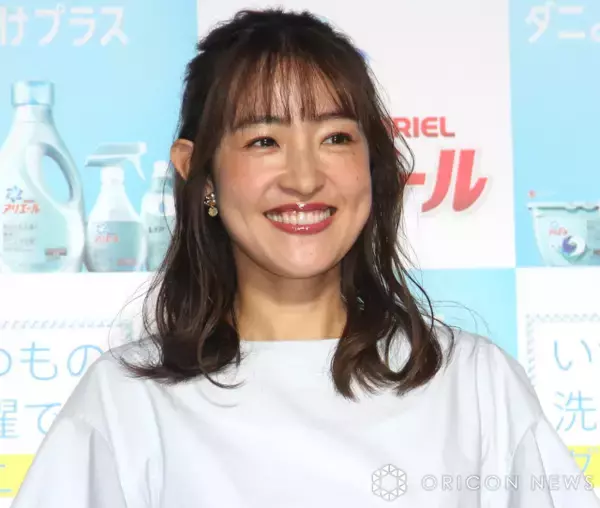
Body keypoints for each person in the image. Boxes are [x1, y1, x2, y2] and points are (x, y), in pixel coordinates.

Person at [11, 8, 599, 508]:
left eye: (335, 138)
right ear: (199, 172)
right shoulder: (124, 403)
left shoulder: (473, 384)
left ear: (372, 163)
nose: (304, 178)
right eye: (263, 141)